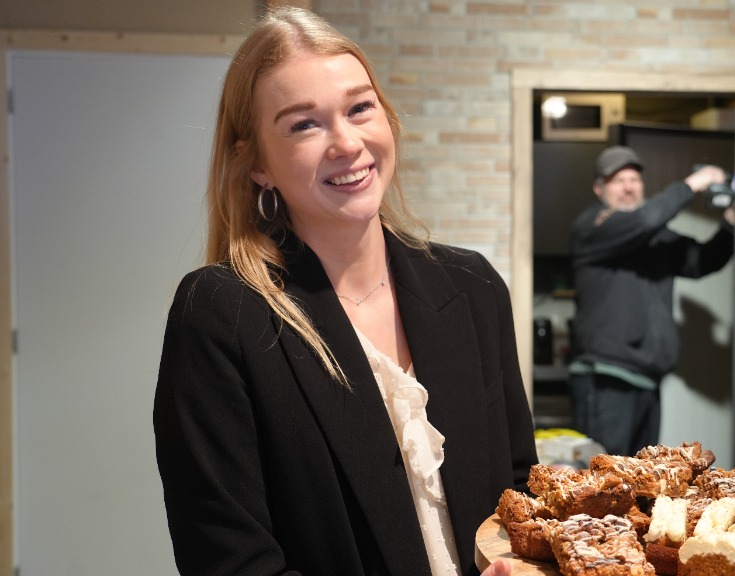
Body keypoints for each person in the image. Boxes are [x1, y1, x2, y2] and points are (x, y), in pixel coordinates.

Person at [152, 7, 537, 576]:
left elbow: (520, 492)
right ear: (255, 162)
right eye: (304, 124)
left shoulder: (473, 286)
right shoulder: (221, 313)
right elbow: (229, 559)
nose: (346, 142)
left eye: (360, 108)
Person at [568, 145, 735, 456]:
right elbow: (646, 220)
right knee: (606, 482)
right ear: (599, 189)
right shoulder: (594, 226)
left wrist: (731, 222)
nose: (629, 187)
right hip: (607, 378)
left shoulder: (653, 237)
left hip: (646, 378)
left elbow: (702, 260)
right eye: (619, 181)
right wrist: (692, 184)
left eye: (635, 179)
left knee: (641, 481)